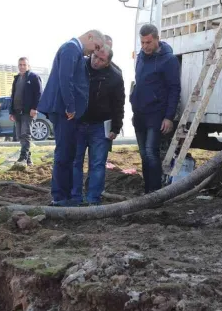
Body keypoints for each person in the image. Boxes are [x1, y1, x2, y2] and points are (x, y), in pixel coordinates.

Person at [37, 30, 106, 206]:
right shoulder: (71, 49)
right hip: (64, 111)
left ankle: (66, 196)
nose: (94, 52)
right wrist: (71, 107)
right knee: (64, 154)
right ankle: (60, 197)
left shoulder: (74, 50)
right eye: (96, 47)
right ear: (90, 37)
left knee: (68, 154)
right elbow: (65, 79)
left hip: (67, 111)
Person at [131, 24, 181, 194]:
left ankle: (155, 191)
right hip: (139, 114)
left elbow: (174, 89)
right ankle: (148, 189)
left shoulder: (169, 60)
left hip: (156, 114)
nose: (145, 46)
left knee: (151, 153)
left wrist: (169, 116)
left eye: (148, 42)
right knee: (144, 154)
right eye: (142, 42)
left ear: (157, 39)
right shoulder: (140, 58)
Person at [71, 49, 125, 206]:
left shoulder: (114, 77)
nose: (96, 61)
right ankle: (75, 198)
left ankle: (93, 199)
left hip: (100, 126)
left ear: (107, 62)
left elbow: (118, 103)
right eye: (95, 57)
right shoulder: (80, 67)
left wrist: (116, 127)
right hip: (78, 122)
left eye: (101, 60)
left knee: (97, 163)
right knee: (75, 161)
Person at [9, 57, 43, 165]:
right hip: (17, 112)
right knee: (19, 135)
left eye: (24, 65)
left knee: (25, 134)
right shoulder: (16, 78)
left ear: (28, 66)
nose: (22, 67)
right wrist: (11, 111)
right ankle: (28, 160)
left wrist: (35, 108)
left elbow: (39, 94)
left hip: (28, 112)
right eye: (20, 65)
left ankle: (22, 157)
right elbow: (13, 95)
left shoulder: (33, 77)